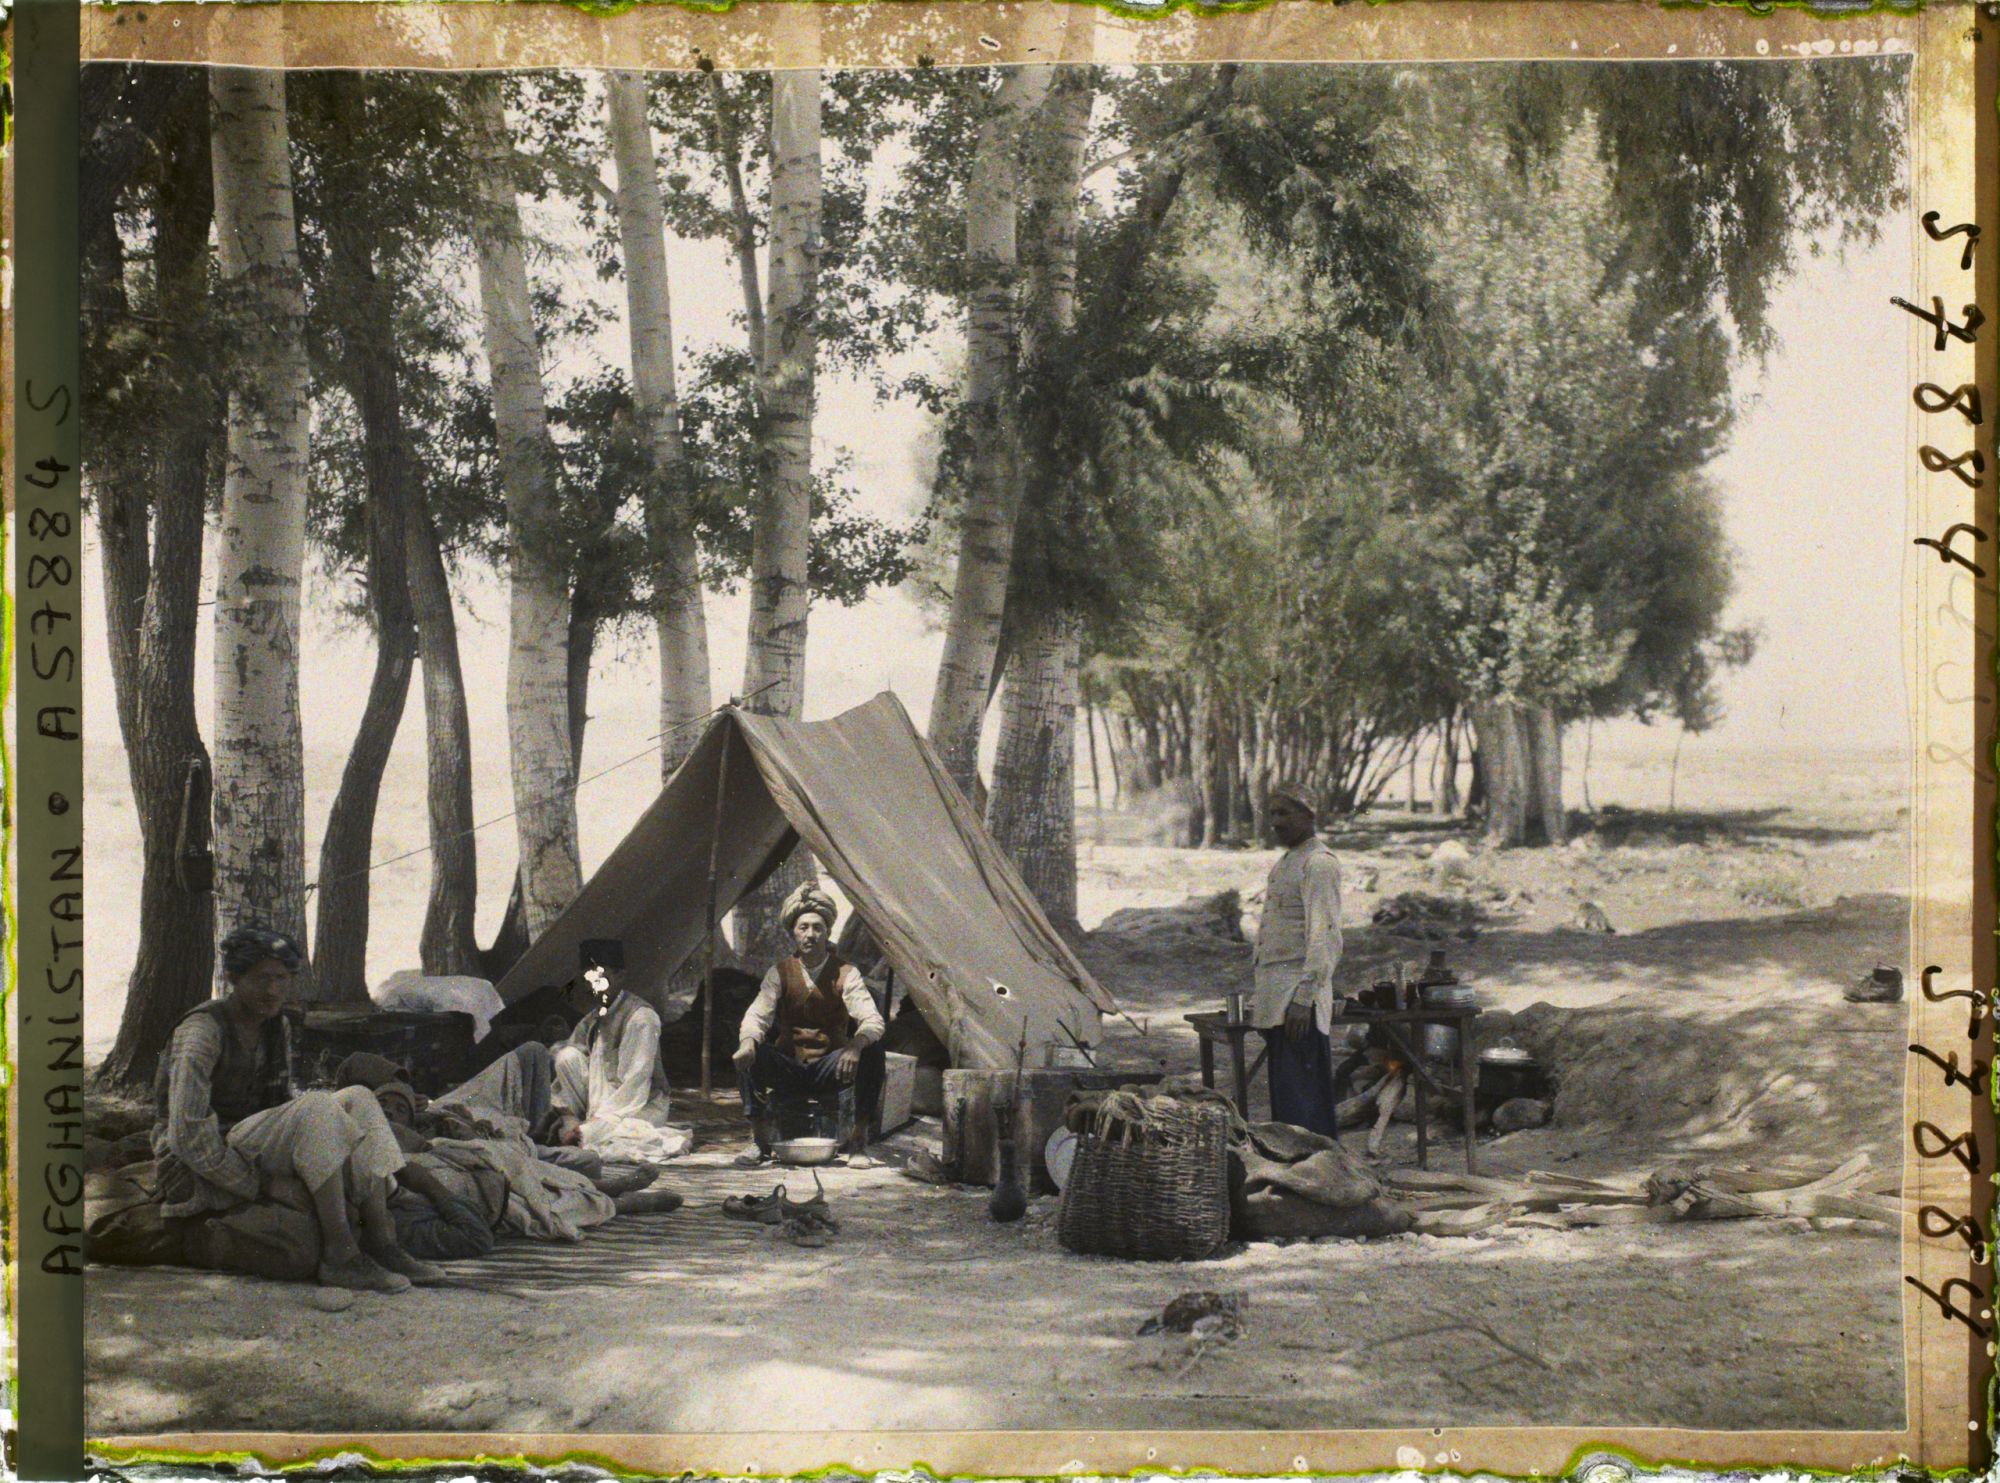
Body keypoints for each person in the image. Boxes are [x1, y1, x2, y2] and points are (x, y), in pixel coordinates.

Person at [152, 927, 444, 1291]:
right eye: (261, 979)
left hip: (246, 1140)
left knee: (359, 1099)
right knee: (317, 1106)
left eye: (281, 979)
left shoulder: (276, 1025)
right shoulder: (203, 1032)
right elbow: (187, 1136)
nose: (273, 990)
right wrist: (264, 1185)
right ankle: (341, 1255)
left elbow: (275, 1106)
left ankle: (382, 1242)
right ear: (232, 979)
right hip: (202, 1161)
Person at [732, 882, 885, 1166]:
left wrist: (854, 1046)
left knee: (872, 1052)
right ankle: (759, 1141)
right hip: (790, 1066)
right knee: (750, 1051)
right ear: (793, 932)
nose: (810, 934)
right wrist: (748, 1042)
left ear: (828, 932)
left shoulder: (846, 973)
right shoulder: (778, 972)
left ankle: (858, 1144)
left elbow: (871, 1019)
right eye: (803, 928)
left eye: (817, 927)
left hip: (829, 1066)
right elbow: (757, 1016)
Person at [1250, 781, 1345, 1136]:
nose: (1276, 822)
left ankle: (1319, 1176)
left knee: (1305, 1106)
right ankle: (1294, 1178)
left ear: (1309, 815)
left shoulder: (1319, 864)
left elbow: (1325, 935)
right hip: (1278, 1000)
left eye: (1285, 813)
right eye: (1272, 813)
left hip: (1297, 1002)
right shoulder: (1288, 861)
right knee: (1288, 1107)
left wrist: (1304, 999)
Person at [547, 938, 690, 1164]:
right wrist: (567, 1114)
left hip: (638, 1105)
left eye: (602, 978)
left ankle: (586, 1129)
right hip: (598, 1105)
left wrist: (597, 1123)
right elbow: (566, 1060)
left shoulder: (641, 1017)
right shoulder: (594, 1017)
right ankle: (580, 1125)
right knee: (567, 1056)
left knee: (609, 1138)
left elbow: (635, 1083)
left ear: (620, 976)